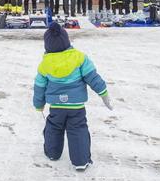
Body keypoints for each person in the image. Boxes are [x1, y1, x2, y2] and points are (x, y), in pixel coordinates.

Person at [33, 21, 112, 172]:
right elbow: (92, 77)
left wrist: (38, 104)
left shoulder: (45, 63)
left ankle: (52, 153)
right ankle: (81, 161)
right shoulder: (80, 58)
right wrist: (104, 93)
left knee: (53, 128)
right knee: (78, 130)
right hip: (76, 106)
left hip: (56, 106)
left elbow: (39, 86)